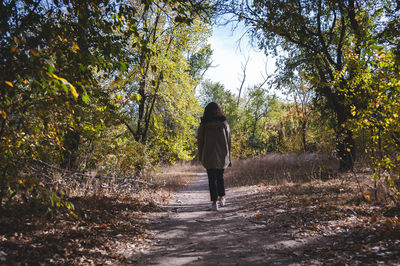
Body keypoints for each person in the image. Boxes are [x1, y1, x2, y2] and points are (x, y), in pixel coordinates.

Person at [197, 102, 231, 210]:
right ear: (218, 110)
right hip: (222, 155)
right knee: (220, 177)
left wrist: (200, 154)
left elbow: (200, 141)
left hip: (208, 155)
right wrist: (229, 155)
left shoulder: (204, 125)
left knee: (212, 179)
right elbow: (229, 140)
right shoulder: (224, 123)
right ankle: (222, 199)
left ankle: (214, 203)